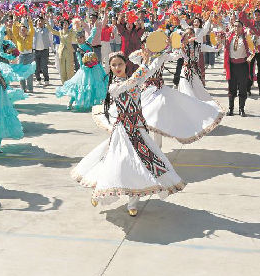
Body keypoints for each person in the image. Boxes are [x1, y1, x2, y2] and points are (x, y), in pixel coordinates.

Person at [72, 50, 185, 217]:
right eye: (114, 65)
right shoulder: (113, 86)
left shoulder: (136, 80)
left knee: (142, 165)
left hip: (138, 129)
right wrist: (144, 64)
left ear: (125, 64)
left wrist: (158, 56)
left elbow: (151, 70)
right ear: (110, 68)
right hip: (123, 131)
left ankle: (133, 203)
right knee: (117, 164)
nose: (117, 67)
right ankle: (101, 193)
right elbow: (131, 82)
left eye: (120, 64)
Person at [55, 28, 108, 111]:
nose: (79, 39)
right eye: (77, 38)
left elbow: (92, 35)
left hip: (95, 68)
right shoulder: (79, 49)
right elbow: (80, 62)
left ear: (84, 38)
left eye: (81, 37)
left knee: (96, 86)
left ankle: (97, 104)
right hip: (85, 70)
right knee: (80, 87)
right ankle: (70, 102)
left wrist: (94, 27)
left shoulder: (88, 43)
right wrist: (85, 66)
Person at [223, 19, 253, 116]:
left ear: (242, 28)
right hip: (232, 65)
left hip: (242, 65)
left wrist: (250, 57)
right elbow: (224, 47)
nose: (236, 28)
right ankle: (231, 109)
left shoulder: (246, 37)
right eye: (235, 26)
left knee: (242, 88)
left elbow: (253, 50)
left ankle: (241, 109)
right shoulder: (229, 37)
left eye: (239, 26)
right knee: (231, 88)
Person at [32, 16, 57, 86]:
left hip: (44, 50)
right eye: (39, 21)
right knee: (36, 67)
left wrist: (52, 48)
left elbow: (50, 39)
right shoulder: (33, 30)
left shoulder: (46, 30)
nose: (40, 22)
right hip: (35, 51)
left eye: (42, 21)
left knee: (44, 66)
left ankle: (46, 79)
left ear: (44, 22)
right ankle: (38, 79)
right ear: (36, 22)